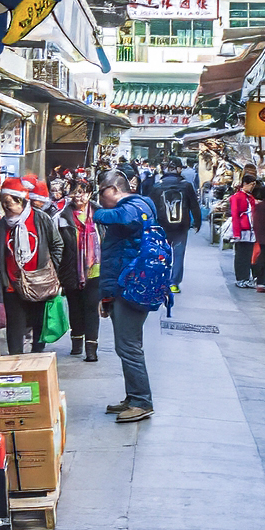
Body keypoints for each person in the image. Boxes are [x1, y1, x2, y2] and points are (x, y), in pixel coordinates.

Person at [93, 171, 157, 423]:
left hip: (132, 288)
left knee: (129, 347)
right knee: (126, 346)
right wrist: (107, 297)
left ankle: (142, 401)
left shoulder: (135, 206)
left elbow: (120, 217)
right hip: (123, 287)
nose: (99, 199)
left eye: (101, 192)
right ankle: (133, 397)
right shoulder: (134, 206)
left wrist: (93, 209)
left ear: (113, 188)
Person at [0, 177, 64, 354]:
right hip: (12, 286)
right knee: (15, 330)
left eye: (9, 202)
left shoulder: (40, 218)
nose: (5, 207)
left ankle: (37, 363)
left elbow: (57, 244)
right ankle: (16, 366)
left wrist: (51, 269)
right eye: (3, 203)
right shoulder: (1, 226)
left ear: (21, 201)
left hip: (39, 283)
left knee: (39, 328)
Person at [55, 178, 102, 362]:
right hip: (70, 268)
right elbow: (57, 246)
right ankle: (76, 344)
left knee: (91, 308)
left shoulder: (100, 214)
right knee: (75, 307)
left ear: (90, 194)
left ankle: (91, 349)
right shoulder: (61, 216)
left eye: (82, 192)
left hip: (95, 270)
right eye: (74, 192)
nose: (77, 196)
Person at [146, 159, 202, 294]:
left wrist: (149, 225)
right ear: (178, 169)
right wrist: (197, 222)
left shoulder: (157, 186)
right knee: (179, 254)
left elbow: (150, 207)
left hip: (161, 226)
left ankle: (160, 281)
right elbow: (194, 205)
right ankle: (174, 283)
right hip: (181, 227)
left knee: (160, 253)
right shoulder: (186, 186)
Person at [228, 175, 258, 288]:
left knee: (247, 255)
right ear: (245, 184)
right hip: (242, 230)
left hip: (250, 229)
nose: (252, 187)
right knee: (241, 255)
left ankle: (245, 277)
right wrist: (236, 233)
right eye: (251, 185)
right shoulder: (237, 197)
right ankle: (240, 278)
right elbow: (235, 215)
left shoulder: (250, 197)